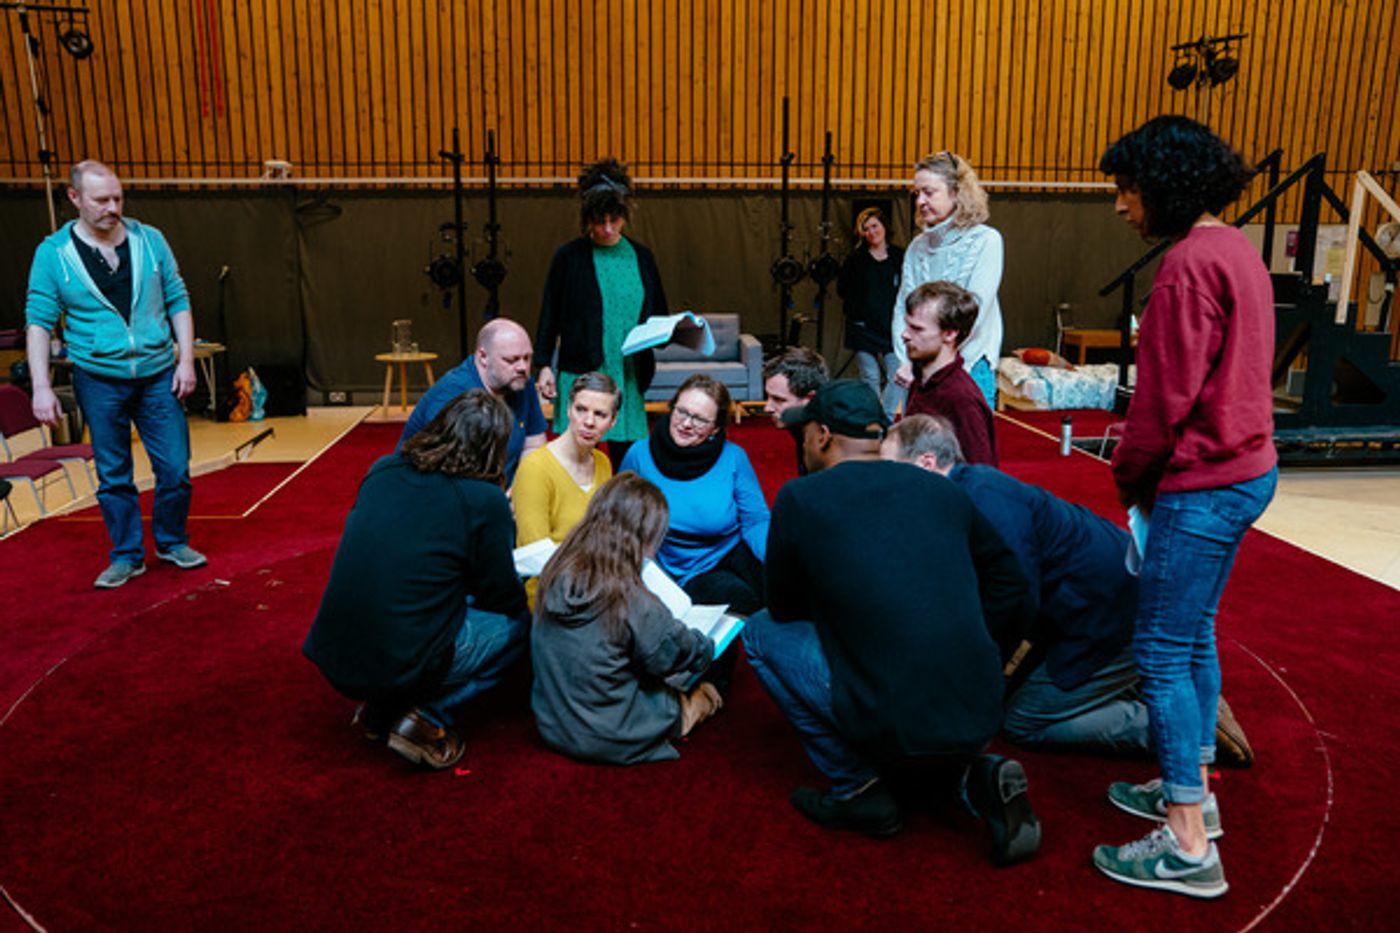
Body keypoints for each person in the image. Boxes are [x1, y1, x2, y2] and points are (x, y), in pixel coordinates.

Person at [1090, 116, 1278, 899]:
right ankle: (1194, 787)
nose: (1121, 207)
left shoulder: (1184, 265)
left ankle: (1187, 841)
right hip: (1249, 469)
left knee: (1162, 651)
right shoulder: (1236, 247)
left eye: (1126, 190)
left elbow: (1161, 405)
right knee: (1193, 634)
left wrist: (1128, 479)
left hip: (1203, 481)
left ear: (1161, 186)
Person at [743, 379, 1040, 865]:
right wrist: (980, 650)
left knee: (759, 631)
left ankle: (856, 785)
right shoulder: (941, 489)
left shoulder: (802, 497)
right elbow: (1014, 586)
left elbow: (784, 609)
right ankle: (973, 780)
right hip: (981, 703)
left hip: (887, 708)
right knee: (919, 709)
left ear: (820, 435)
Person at [304, 390, 531, 770]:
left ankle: (382, 709)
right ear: (495, 449)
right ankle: (427, 718)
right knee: (522, 627)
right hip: (399, 658)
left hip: (334, 651)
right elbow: (501, 596)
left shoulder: (383, 469)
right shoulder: (482, 499)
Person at [24, 160, 206, 589]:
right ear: (74, 198)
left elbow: (178, 298)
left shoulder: (150, 240)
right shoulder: (53, 254)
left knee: (176, 468)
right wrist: (41, 388)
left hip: (158, 372)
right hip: (98, 378)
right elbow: (38, 322)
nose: (112, 207)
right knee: (114, 474)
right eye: (101, 200)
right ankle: (126, 555)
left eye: (117, 198)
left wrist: (185, 360)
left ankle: (172, 541)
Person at [531, 472, 723, 764]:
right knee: (709, 684)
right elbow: (671, 657)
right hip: (613, 733)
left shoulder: (556, 569)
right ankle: (694, 707)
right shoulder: (631, 598)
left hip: (554, 724)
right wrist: (706, 646)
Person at [535, 158, 668, 471]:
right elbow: (549, 313)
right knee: (577, 455)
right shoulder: (568, 257)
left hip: (628, 371)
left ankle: (623, 513)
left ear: (625, 215)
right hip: (582, 366)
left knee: (628, 458)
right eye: (599, 221)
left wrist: (675, 331)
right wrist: (542, 365)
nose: (608, 228)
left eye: (615, 219)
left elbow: (659, 313)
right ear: (586, 219)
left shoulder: (642, 257)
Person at [620, 374, 769, 617]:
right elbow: (621, 523)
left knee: (785, 589)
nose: (686, 423)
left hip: (731, 548)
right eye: (682, 412)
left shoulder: (734, 457)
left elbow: (756, 519)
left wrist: (777, 557)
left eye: (700, 419)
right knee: (740, 599)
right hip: (683, 567)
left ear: (716, 428)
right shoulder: (638, 455)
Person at [891, 151, 1004, 410]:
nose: (920, 201)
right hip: (921, 366)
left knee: (969, 447)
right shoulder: (916, 247)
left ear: (956, 192)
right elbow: (902, 310)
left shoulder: (987, 241)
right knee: (918, 448)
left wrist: (938, 363)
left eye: (929, 192)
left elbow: (975, 310)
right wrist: (906, 361)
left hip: (969, 364)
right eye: (917, 194)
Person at [512, 371, 620, 606]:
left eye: (600, 414)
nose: (589, 421)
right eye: (581, 409)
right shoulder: (536, 467)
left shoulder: (602, 462)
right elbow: (536, 557)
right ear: (568, 410)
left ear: (613, 421)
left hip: (595, 588)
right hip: (551, 596)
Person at [397, 317, 546, 485]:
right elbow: (448, 472)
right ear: (483, 356)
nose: (523, 368)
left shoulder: (521, 382)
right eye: (511, 360)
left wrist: (521, 489)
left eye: (527, 358)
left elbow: (533, 446)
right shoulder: (453, 393)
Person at [901, 281, 998, 466]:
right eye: (908, 325)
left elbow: (982, 475)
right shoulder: (921, 381)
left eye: (917, 329)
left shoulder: (961, 398)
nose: (905, 334)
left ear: (950, 334)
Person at [837, 207, 904, 421]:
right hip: (863, 328)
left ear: (884, 227)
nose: (871, 232)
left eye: (875, 226)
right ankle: (874, 419)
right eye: (866, 229)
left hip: (892, 327)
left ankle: (887, 417)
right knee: (870, 377)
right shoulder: (855, 259)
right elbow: (842, 289)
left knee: (897, 375)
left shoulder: (899, 256)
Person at [762, 346, 830, 476]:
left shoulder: (831, 440)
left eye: (778, 399)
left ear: (809, 398)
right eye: (768, 397)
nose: (767, 408)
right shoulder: (801, 424)